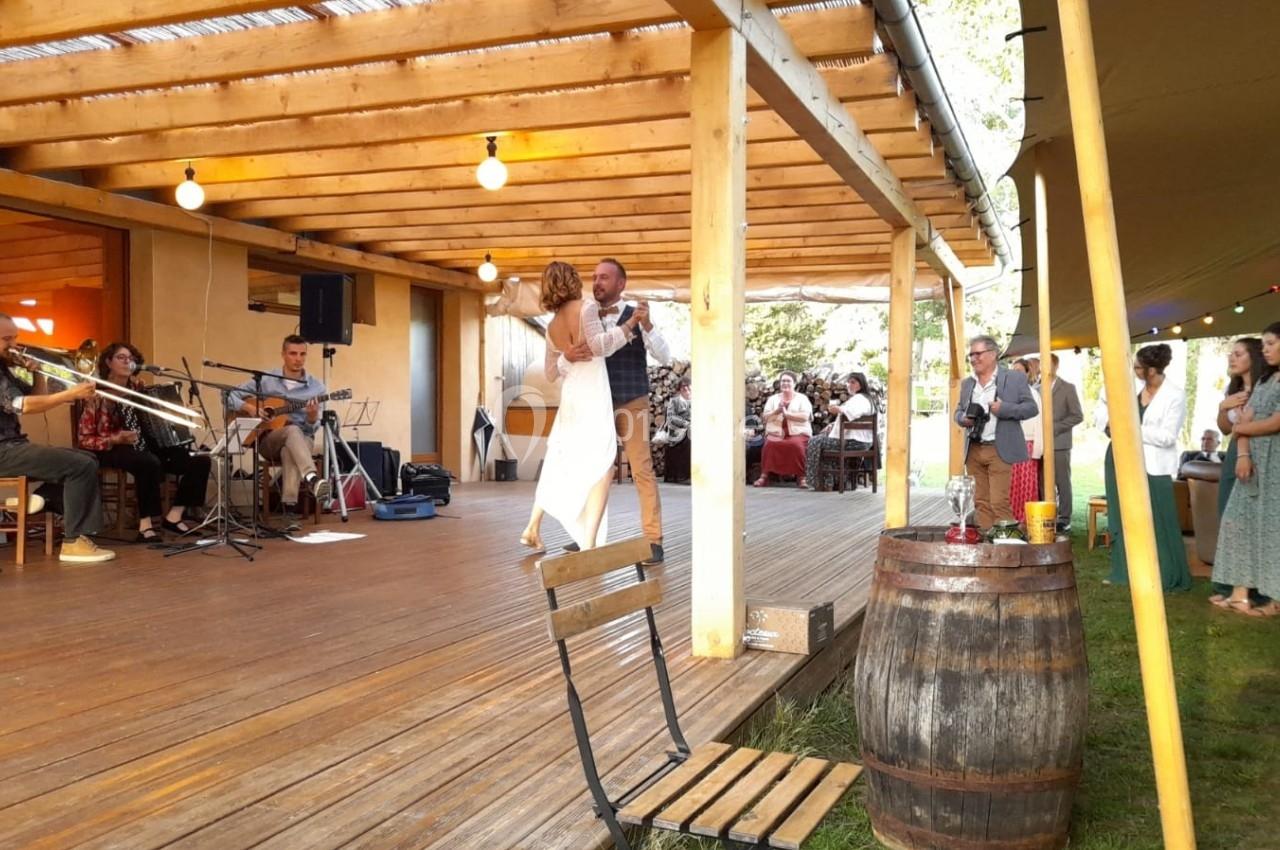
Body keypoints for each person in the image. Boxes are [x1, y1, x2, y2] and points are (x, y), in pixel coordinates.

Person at [521, 261, 642, 552]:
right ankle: (589, 543)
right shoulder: (585, 307)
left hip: (571, 398)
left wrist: (567, 357)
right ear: (571, 281)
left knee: (560, 459)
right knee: (604, 464)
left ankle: (533, 527)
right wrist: (629, 325)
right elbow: (600, 346)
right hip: (592, 395)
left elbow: (551, 372)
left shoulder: (551, 327)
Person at [557, 258, 669, 565]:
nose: (597, 282)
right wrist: (567, 357)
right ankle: (586, 535)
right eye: (594, 277)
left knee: (641, 469)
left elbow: (664, 356)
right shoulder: (583, 315)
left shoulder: (638, 315)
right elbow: (560, 362)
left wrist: (648, 325)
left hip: (632, 400)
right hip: (597, 403)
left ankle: (653, 540)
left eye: (604, 278)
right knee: (593, 469)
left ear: (621, 284)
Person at [0, 314, 115, 563]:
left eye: (15, 338)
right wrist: (69, 394)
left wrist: (38, 373)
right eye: (7, 339)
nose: (14, 345)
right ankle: (74, 542)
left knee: (87, 459)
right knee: (79, 465)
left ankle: (42, 498)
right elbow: (22, 405)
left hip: (12, 446)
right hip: (3, 450)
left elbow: (36, 397)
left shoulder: (4, 370)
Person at [75, 342, 211, 541]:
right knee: (147, 462)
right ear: (108, 362)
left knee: (199, 460)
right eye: (121, 357)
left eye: (131, 359)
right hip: (108, 448)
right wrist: (115, 438)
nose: (127, 362)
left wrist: (182, 413)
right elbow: (84, 439)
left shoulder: (139, 388)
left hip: (143, 445)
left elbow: (155, 417)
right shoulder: (96, 392)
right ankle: (145, 525)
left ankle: (174, 516)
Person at [1101, 343, 1191, 591]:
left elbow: (1167, 437)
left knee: (1158, 519)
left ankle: (1166, 573)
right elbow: (1108, 414)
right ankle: (1124, 572)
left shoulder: (1175, 395)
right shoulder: (1133, 390)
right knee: (1123, 515)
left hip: (1153, 466)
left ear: (1152, 370)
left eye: (1139, 367)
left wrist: (1130, 427)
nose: (1135, 371)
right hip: (1120, 458)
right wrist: (1111, 425)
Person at [1211, 324, 1280, 616]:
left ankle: (1270, 597)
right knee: (1237, 520)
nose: (1266, 349)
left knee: (1271, 526)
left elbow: (1274, 422)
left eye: (1270, 344)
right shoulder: (1264, 381)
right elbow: (1240, 423)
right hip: (1248, 457)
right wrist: (1242, 449)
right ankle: (1238, 592)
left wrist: (1241, 428)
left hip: (1273, 460)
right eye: (1263, 344)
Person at [230, 335, 330, 522]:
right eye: (293, 353)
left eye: (302, 354)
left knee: (290, 446)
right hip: (269, 440)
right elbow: (229, 396)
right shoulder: (266, 380)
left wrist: (311, 417)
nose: (298, 359)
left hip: (302, 440)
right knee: (292, 431)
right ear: (283, 354)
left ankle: (289, 511)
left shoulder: (317, 388)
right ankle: (312, 478)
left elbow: (311, 430)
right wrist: (250, 408)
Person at [953, 336, 1039, 528]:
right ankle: (986, 540)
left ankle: (1006, 542)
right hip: (974, 449)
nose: (973, 359)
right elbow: (957, 412)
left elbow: (1031, 408)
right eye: (971, 355)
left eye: (978, 354)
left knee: (999, 502)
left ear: (993, 354)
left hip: (999, 448)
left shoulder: (1014, 378)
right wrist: (963, 419)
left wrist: (1004, 409)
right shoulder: (968, 383)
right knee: (980, 502)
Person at [804, 371, 874, 490]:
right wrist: (833, 424)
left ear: (861, 384)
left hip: (854, 442)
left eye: (853, 382)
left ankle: (815, 480)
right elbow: (854, 419)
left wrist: (837, 409)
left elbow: (851, 412)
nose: (849, 385)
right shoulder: (867, 399)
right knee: (825, 445)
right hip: (861, 441)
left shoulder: (860, 399)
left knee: (814, 441)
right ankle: (829, 484)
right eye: (848, 382)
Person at [1044, 353, 1084, 531]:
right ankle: (1047, 515)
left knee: (1062, 482)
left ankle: (1064, 518)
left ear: (1056, 366)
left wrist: (1055, 427)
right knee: (1043, 482)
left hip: (1060, 443)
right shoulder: (1037, 388)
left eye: (1049, 364)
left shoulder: (1068, 388)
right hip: (1041, 445)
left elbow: (1078, 415)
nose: (1045, 367)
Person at [755, 371, 813, 488]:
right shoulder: (772, 399)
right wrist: (777, 411)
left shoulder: (802, 398)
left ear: (794, 383)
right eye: (783, 381)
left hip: (798, 433)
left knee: (796, 445)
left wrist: (787, 415)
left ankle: (802, 477)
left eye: (788, 381)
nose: (785, 383)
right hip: (776, 432)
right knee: (770, 444)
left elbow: (805, 417)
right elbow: (765, 418)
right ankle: (764, 476)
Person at [1008, 359, 1043, 522]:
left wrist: (1038, 450)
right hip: (1010, 443)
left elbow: (1039, 422)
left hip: (1027, 443)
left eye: (1019, 371)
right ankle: (1010, 519)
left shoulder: (1033, 394)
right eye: (1013, 371)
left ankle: (1027, 520)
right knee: (1010, 484)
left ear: (1027, 374)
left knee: (1027, 485)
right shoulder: (1006, 394)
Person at [662, 377, 691, 484]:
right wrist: (685, 423)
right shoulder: (674, 401)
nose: (686, 389)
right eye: (683, 387)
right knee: (688, 441)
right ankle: (682, 476)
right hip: (677, 431)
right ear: (679, 389)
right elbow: (671, 417)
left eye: (688, 386)